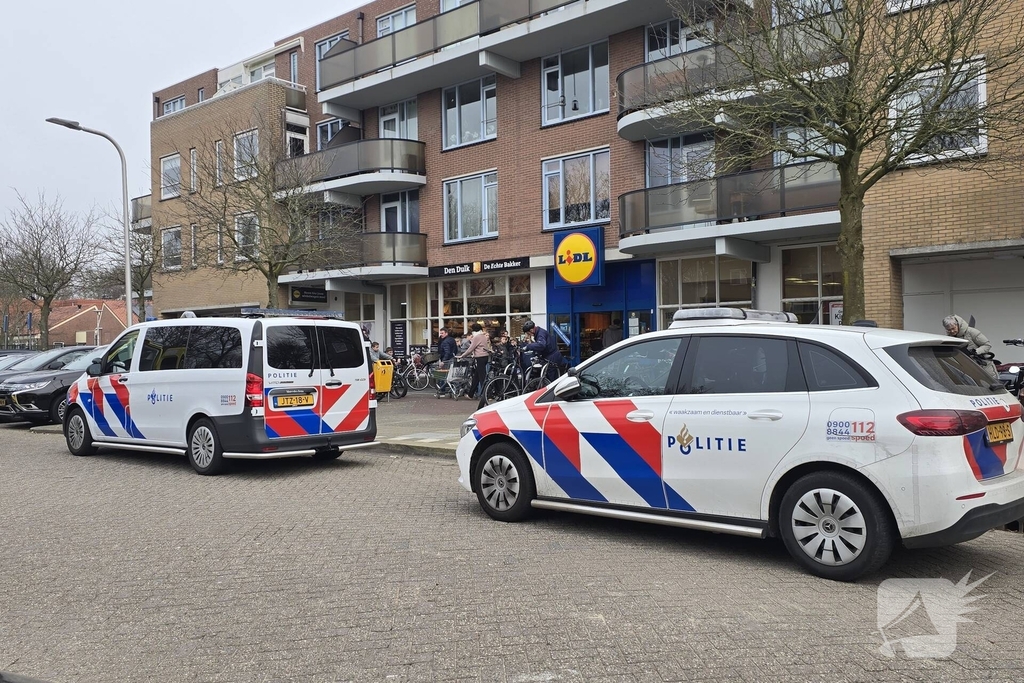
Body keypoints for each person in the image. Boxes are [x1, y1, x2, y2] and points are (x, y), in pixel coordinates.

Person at [943, 314, 998, 379]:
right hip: (969, 368)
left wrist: (976, 352)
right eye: (949, 330)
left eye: (953, 328)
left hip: (984, 365)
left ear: (958, 324)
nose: (951, 331)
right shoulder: (950, 338)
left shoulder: (971, 332)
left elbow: (987, 345)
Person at [458, 322, 491, 399]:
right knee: (476, 377)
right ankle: (471, 394)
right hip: (485, 357)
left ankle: (488, 395)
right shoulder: (483, 336)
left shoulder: (477, 337)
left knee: (482, 377)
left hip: (480, 357)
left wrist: (463, 355)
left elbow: (471, 348)